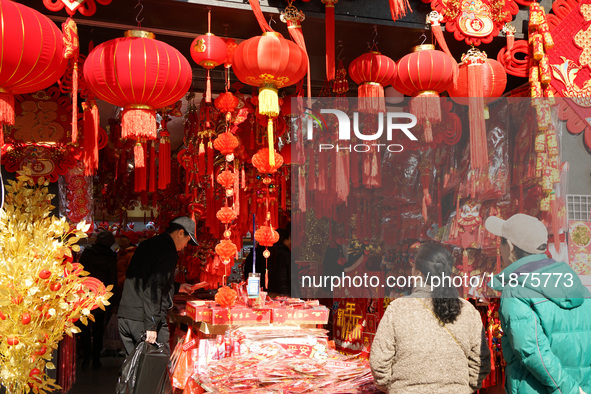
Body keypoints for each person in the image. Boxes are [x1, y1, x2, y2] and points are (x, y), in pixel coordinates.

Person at [485, 213, 591, 394]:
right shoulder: (574, 284)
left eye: (500, 242)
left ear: (509, 246)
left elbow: (534, 354)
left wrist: (570, 391)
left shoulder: (516, 291)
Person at [370, 242, 490, 393]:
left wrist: (397, 387)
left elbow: (379, 363)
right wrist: (461, 387)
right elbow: (481, 363)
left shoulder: (398, 309)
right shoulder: (468, 311)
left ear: (419, 273)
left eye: (413, 265)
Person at [118, 216, 197, 355]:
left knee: (134, 369)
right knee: (154, 369)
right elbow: (154, 288)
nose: (185, 245)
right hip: (142, 319)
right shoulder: (168, 251)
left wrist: (178, 287)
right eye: (187, 240)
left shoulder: (148, 244)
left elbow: (146, 277)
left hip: (126, 316)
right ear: (179, 233)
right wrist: (151, 325)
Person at [78, 230, 118, 369]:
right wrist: (113, 300)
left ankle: (85, 358)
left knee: (84, 327)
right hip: (102, 295)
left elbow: (80, 273)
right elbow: (113, 278)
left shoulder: (87, 253)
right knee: (98, 328)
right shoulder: (111, 256)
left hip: (85, 293)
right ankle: (96, 359)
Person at [268, 227, 291, 296]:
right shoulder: (286, 254)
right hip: (284, 292)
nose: (291, 241)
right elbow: (291, 276)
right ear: (285, 240)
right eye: (290, 239)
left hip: (270, 291)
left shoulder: (269, 252)